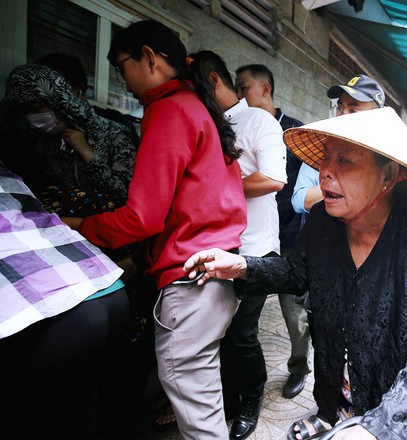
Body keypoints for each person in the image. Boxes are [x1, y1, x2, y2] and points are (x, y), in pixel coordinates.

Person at [183, 107, 407, 440]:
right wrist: (243, 265)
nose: (325, 173)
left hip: (403, 419)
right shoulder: (323, 221)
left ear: (389, 175)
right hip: (343, 390)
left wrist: (379, 428)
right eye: (325, 159)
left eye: (345, 161)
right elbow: (297, 270)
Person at [64, 20, 248, 440]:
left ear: (149, 57)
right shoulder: (197, 106)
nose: (122, 79)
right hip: (216, 272)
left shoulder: (168, 110)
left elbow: (142, 218)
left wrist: (77, 225)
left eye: (122, 65)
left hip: (190, 278)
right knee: (203, 399)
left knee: (199, 417)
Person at [189, 51, 287, 440]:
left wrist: (214, 187)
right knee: (216, 330)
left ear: (212, 81)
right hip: (214, 244)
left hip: (253, 249)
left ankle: (252, 394)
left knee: (241, 333)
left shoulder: (258, 120)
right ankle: (225, 398)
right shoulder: (207, 122)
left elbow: (274, 179)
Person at [0, 161, 128, 440]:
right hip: (106, 288)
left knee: (28, 419)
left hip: (55, 310)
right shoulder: (8, 172)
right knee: (76, 406)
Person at [235, 63, 311, 401]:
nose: (239, 96)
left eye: (244, 88)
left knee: (294, 316)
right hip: (252, 240)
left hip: (290, 239)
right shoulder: (236, 129)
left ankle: (298, 369)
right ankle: (242, 382)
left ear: (266, 89)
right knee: (243, 320)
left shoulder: (296, 133)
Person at [3, 63, 136, 201]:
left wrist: (88, 155)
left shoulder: (115, 133)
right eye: (25, 112)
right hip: (62, 221)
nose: (31, 117)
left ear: (58, 101)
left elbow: (127, 193)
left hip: (104, 220)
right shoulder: (43, 143)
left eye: (36, 109)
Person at [292, 74, 386, 216]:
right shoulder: (324, 145)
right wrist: (343, 184)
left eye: (353, 111)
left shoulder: (386, 155)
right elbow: (300, 200)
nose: (342, 115)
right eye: (340, 108)